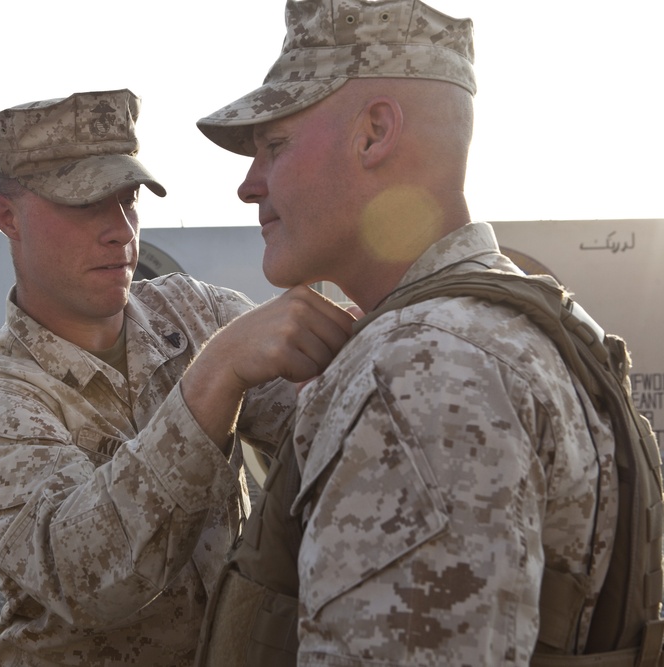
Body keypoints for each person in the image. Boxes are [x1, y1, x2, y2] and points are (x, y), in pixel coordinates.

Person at [196, 1, 661, 664]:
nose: (249, 184)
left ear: (373, 133)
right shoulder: (523, 318)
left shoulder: (421, 371)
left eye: (275, 146)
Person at [0, 89, 355, 667]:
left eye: (127, 198)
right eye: (84, 203)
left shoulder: (196, 314)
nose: (119, 229)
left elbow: (333, 436)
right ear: (8, 217)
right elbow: (88, 580)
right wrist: (213, 378)